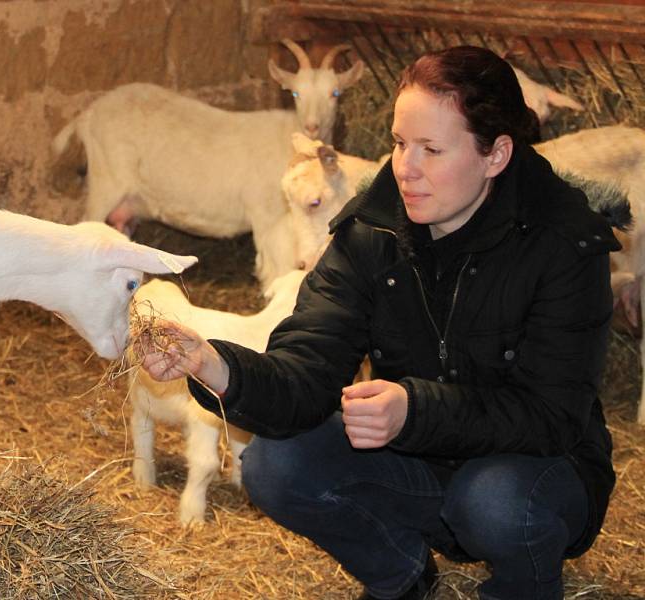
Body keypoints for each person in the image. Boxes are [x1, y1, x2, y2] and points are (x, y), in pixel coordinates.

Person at [139, 45, 617, 600]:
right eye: (399, 143)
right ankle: (401, 575)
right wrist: (217, 366)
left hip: (532, 473)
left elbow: (551, 416)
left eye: (432, 149)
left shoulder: (564, 243)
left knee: (495, 504)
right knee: (275, 464)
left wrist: (414, 409)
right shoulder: (373, 231)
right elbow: (310, 365)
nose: (405, 168)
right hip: (415, 460)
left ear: (496, 155)